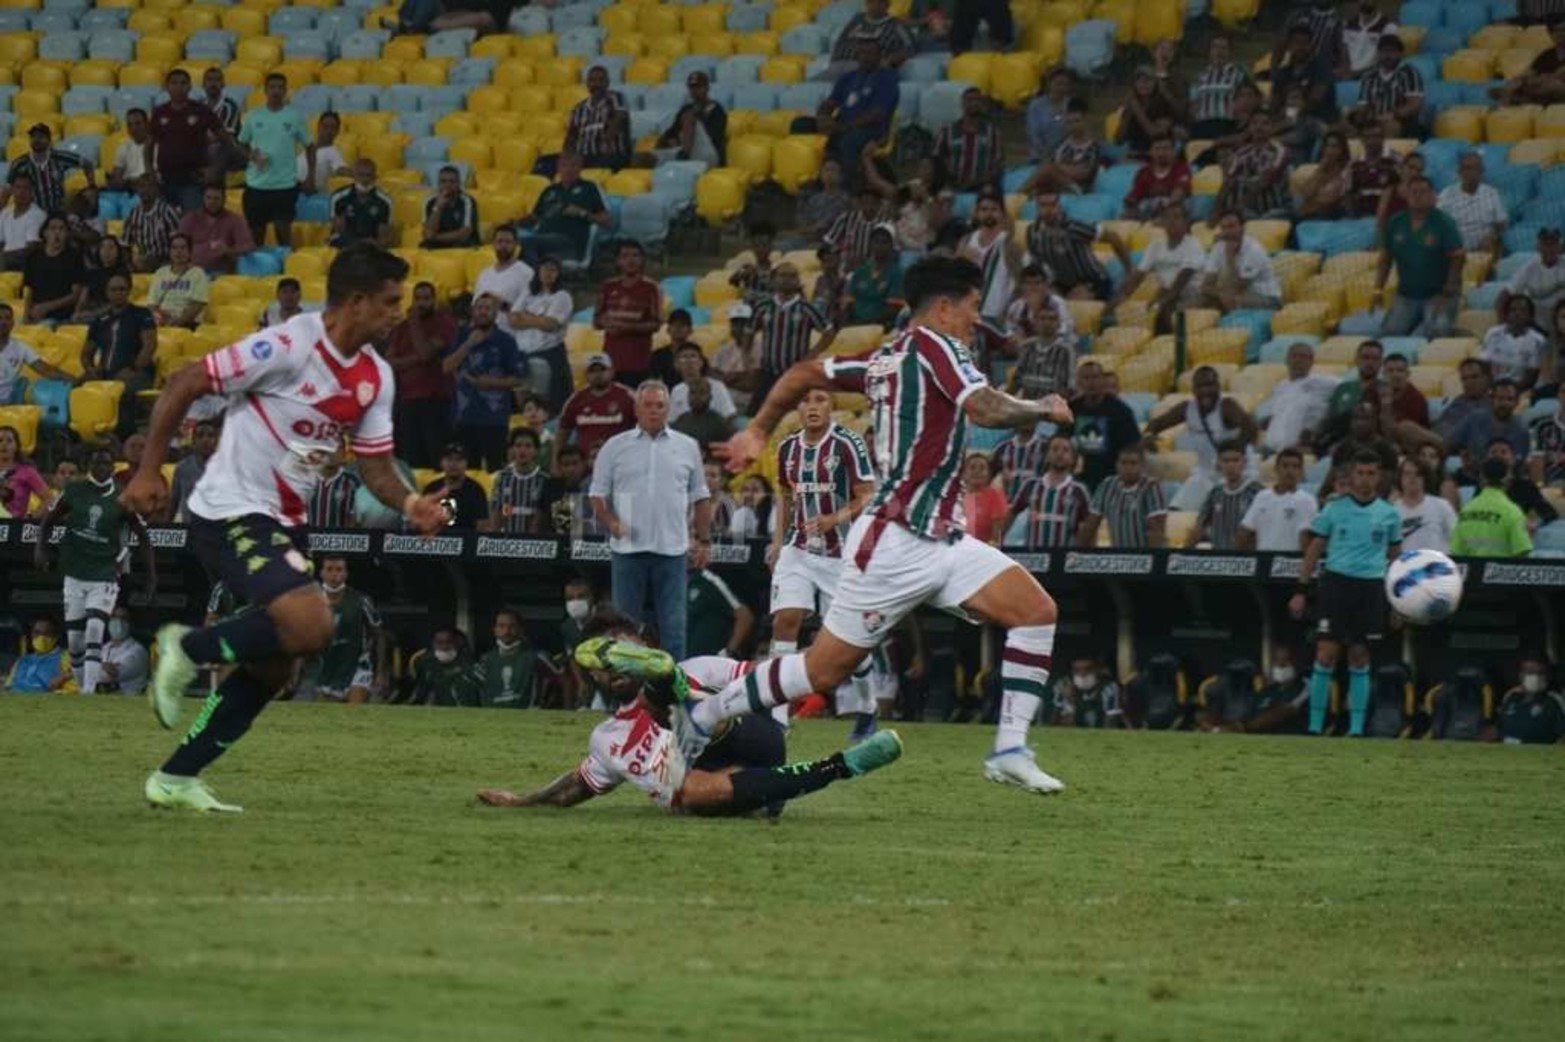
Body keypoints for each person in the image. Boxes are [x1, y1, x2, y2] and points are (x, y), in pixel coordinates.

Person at [698, 256, 1076, 794]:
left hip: (941, 539)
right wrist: (1041, 407)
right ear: (944, 308)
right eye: (971, 308)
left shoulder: (888, 356)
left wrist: (758, 427)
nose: (975, 321)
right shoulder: (939, 347)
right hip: (895, 542)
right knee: (823, 671)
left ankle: (1010, 749)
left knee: (1036, 610)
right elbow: (987, 410)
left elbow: (806, 372)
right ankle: (709, 713)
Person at [125, 242, 449, 813]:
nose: (399, 312)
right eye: (390, 302)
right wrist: (151, 468)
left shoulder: (376, 375)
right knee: (312, 623)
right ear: (355, 302)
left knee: (277, 663)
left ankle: (175, 777)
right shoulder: (289, 345)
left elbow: (374, 464)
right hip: (229, 509)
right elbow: (185, 380)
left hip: (284, 523)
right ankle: (189, 646)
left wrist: (411, 504)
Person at [477, 626, 902, 814]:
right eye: (606, 663)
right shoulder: (606, 739)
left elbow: (761, 681)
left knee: (699, 716)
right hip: (728, 787)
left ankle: (671, 686)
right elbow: (575, 787)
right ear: (595, 675)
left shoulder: (703, 665)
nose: (613, 670)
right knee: (693, 792)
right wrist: (523, 801)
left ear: (642, 646)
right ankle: (846, 764)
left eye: (621, 652)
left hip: (751, 733)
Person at [766, 386, 877, 732]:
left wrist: (834, 518)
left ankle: (868, 705)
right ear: (797, 408)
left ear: (831, 407)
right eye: (805, 400)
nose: (812, 406)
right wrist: (778, 543)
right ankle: (776, 715)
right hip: (798, 550)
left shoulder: (848, 443)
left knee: (848, 642)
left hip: (840, 555)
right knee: (786, 619)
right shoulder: (787, 448)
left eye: (820, 400)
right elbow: (785, 496)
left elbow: (867, 495)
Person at [589, 381, 711, 663]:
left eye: (660, 406)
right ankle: (626, 698)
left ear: (668, 409)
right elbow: (597, 495)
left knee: (675, 629)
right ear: (636, 408)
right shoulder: (614, 447)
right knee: (624, 630)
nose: (654, 411)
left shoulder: (688, 446)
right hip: (627, 551)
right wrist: (611, 522)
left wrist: (703, 540)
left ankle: (672, 700)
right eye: (648, 405)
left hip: (673, 551)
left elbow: (701, 497)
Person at [1289, 450, 1402, 737]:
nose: (1365, 479)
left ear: (1379, 477)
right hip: (1336, 586)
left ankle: (1355, 728)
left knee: (1360, 656)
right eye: (1360, 473)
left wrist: (1398, 601)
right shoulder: (1334, 509)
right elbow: (1314, 550)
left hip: (1371, 588)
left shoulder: (1389, 514)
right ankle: (1314, 726)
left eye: (1371, 473)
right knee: (1326, 654)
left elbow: (1396, 558)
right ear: (1351, 476)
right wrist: (1301, 589)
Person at [34, 446, 156, 695]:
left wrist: (152, 574)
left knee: (94, 630)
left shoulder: (123, 498)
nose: (101, 467)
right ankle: (82, 687)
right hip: (74, 571)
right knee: (76, 641)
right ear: (89, 464)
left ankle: (88, 693)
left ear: (113, 467)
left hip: (105, 573)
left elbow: (142, 536)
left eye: (106, 463)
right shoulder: (74, 491)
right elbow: (48, 520)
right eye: (96, 462)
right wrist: (40, 549)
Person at [1144, 364, 1259, 508]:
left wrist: (1229, 457)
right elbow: (1157, 423)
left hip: (1238, 472)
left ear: (1218, 386)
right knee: (1178, 508)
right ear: (1193, 389)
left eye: (1210, 385)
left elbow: (1251, 429)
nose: (1205, 390)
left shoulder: (1227, 406)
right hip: (1206, 472)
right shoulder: (1187, 408)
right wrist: (1148, 436)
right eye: (1200, 386)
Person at [442, 293, 523, 471]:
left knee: (496, 470)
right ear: (472, 311)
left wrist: (491, 383)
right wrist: (468, 345)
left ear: (495, 314)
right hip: (464, 417)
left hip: (494, 418)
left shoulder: (506, 341)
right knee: (467, 471)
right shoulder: (461, 335)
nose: (483, 312)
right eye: (479, 308)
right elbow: (446, 367)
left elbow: (517, 378)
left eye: (488, 308)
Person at [383, 281, 456, 469]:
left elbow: (426, 352)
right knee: (411, 459)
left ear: (434, 300)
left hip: (436, 399)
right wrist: (417, 359)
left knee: (436, 458)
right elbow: (389, 363)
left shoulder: (444, 322)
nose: (422, 303)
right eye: (418, 299)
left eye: (427, 298)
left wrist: (414, 322)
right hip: (407, 400)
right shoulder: (401, 328)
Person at [745, 262, 836, 411]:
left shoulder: (807, 308)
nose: (786, 279)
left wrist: (813, 353)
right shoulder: (763, 306)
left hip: (796, 373)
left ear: (798, 281)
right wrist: (746, 356)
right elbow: (748, 331)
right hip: (768, 373)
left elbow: (829, 331)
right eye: (782, 275)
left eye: (792, 276)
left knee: (795, 414)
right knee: (756, 414)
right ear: (774, 279)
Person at [295, 556, 383, 704]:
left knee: (354, 713)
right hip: (327, 669)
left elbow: (379, 635)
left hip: (357, 667)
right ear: (322, 573)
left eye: (339, 569)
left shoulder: (361, 600)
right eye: (329, 569)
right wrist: (296, 671)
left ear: (346, 574)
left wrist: (381, 671)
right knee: (327, 717)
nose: (334, 574)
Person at [238, 73, 310, 249]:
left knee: (282, 229)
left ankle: (286, 266)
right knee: (256, 233)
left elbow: (310, 145)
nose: (276, 91)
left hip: (284, 185)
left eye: (280, 87)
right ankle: (258, 273)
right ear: (265, 90)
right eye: (272, 87)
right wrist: (252, 156)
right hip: (256, 185)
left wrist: (311, 176)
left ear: (286, 91)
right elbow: (241, 143)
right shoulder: (253, 116)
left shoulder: (294, 117)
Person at [1109, 202, 1204, 332]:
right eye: (1167, 217)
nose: (1172, 221)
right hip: (1168, 294)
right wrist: (1121, 296)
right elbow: (1138, 275)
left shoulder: (1193, 245)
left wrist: (1162, 300)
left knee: (1163, 309)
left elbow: (1182, 280)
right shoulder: (1155, 245)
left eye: (1177, 217)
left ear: (1186, 222)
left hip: (1192, 296)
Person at [817, 40, 900, 173]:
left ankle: (847, 183)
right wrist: (822, 117)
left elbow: (877, 114)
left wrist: (844, 126)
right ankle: (819, 180)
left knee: (848, 140)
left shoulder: (887, 79)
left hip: (872, 130)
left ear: (879, 56)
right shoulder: (848, 78)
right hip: (842, 125)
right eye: (861, 53)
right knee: (802, 126)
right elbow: (831, 102)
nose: (865, 57)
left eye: (870, 53)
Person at [517, 152, 610, 265]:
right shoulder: (550, 190)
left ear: (581, 168)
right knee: (509, 242)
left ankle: (540, 275)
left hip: (570, 243)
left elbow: (606, 222)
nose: (568, 169)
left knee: (526, 243)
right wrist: (514, 223)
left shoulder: (589, 188)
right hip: (543, 239)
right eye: (564, 165)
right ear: (558, 168)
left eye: (573, 165)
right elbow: (535, 217)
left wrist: (582, 213)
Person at [1025, 192, 1121, 300]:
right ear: (1036, 207)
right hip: (1061, 283)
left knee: (1073, 302)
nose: (1048, 210)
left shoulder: (1074, 227)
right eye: (1043, 205)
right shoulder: (1033, 232)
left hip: (1093, 280)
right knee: (1039, 297)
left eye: (1052, 205)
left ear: (1059, 206)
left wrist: (1129, 269)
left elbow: (1113, 237)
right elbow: (1036, 264)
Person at [593, 240, 661, 389]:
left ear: (642, 260)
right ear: (618, 261)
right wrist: (605, 323)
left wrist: (626, 327)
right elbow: (596, 321)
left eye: (635, 255)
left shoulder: (651, 288)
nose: (630, 260)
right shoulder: (607, 286)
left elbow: (656, 324)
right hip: (610, 360)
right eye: (625, 256)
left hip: (638, 361)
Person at [1004, 434, 1090, 549]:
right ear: (1047, 456)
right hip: (1034, 556)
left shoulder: (1079, 490)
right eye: (1054, 449)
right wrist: (997, 540)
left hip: (1065, 558)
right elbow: (1012, 512)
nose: (1059, 454)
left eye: (1065, 450)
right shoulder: (1031, 485)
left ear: (1073, 458)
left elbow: (1089, 527)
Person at [1076, 443, 1167, 548]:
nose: (1128, 468)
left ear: (1142, 466)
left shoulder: (1151, 487)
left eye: (1133, 463)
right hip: (1120, 556)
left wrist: (1153, 559)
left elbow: (1156, 530)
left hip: (1145, 555)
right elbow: (1090, 525)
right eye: (1123, 463)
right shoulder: (1107, 485)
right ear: (1117, 465)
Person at [1068, 360, 1140, 491]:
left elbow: (1132, 446)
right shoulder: (1072, 409)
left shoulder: (1121, 411)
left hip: (1111, 478)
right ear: (1079, 383)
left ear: (1103, 380)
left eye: (1095, 377)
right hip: (1077, 477)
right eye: (1086, 378)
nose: (1091, 382)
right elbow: (1062, 438)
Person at [1199, 209, 1282, 311]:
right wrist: (1220, 294)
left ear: (1242, 228)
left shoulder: (1254, 249)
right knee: (1202, 299)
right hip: (1238, 295)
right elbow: (1205, 285)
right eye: (1223, 228)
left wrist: (1230, 258)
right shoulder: (1219, 246)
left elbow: (1236, 289)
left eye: (1231, 226)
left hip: (1268, 298)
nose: (1227, 232)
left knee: (1233, 300)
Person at [1451, 458, 1535, 558]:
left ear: (1482, 478)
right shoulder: (1512, 511)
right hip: (1500, 572)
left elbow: (1456, 552)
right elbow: (1522, 552)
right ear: (1507, 479)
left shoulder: (1466, 510)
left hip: (1472, 572)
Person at [1451, 379, 1530, 485]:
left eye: (1509, 399)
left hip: (1506, 482)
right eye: (1500, 398)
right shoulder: (1473, 419)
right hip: (1471, 478)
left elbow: (1518, 464)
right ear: (1491, 399)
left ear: (1517, 402)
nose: (1504, 403)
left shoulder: (1521, 429)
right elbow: (1450, 444)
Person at [1237, 447, 1317, 552]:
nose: (1290, 471)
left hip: (1290, 563)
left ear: (1301, 471)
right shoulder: (1262, 496)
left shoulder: (1307, 501)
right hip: (1264, 561)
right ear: (1276, 469)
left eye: (1295, 467)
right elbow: (1246, 530)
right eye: (1285, 466)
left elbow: (1306, 537)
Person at [1262, 342, 1337, 453]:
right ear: (1286, 359)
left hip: (1299, 450)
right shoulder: (1280, 387)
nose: (1298, 360)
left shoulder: (1323, 382)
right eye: (1294, 356)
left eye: (1303, 357)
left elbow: (1349, 387)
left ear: (1312, 362)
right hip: (1271, 448)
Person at [5, 123, 93, 216]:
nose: (37, 140)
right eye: (33, 137)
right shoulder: (20, 163)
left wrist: (91, 185)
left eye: (41, 137)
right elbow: (9, 187)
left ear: (49, 140)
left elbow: (86, 163)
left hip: (59, 210)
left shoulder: (60, 158)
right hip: (33, 213)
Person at [558, 354, 636, 459]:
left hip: (621, 459)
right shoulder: (576, 399)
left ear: (612, 372)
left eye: (602, 370)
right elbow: (563, 431)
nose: (597, 374)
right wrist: (555, 461)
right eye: (592, 371)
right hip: (585, 463)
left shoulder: (629, 396)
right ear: (586, 375)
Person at [1215, 111, 1289, 220]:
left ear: (1272, 128)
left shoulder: (1280, 151)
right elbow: (1228, 183)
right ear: (1249, 128)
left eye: (1265, 123)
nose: (1259, 127)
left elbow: (1264, 181)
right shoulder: (1241, 153)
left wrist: (1239, 208)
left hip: (1275, 207)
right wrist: (1216, 211)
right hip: (1247, 210)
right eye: (1254, 123)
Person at [1189, 442, 1263, 550]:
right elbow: (1199, 527)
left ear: (1244, 462)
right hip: (1220, 558)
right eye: (1226, 461)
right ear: (1219, 463)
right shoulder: (1215, 493)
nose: (1230, 465)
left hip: (1249, 559)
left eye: (1235, 460)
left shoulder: (1258, 492)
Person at [1350, 34, 1424, 138]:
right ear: (1378, 53)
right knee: (1346, 125)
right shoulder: (1368, 76)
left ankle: (1386, 153)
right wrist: (1355, 115)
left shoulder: (1409, 73)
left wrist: (1394, 114)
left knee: (1389, 126)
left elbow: (1415, 105)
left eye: (1392, 51)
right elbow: (1363, 106)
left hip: (1402, 122)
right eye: (1384, 51)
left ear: (1400, 54)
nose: (1387, 55)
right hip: (1374, 120)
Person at [1437, 152, 1507, 255]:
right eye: (1467, 168)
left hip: (1485, 247)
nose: (1471, 172)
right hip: (1455, 248)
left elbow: (1501, 223)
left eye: (1476, 168)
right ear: (1459, 171)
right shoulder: (1446, 194)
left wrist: (1492, 237)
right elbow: (1437, 222)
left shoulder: (1491, 193)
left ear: (1482, 171)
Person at [473, 225, 534, 343]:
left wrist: (501, 304)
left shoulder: (527, 273)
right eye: (499, 241)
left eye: (508, 242)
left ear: (516, 245)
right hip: (482, 338)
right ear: (493, 244)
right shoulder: (484, 274)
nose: (503, 246)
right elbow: (475, 309)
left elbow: (527, 314)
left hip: (511, 338)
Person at [935, 88, 1003, 193]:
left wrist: (974, 183)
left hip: (982, 189)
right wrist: (949, 181)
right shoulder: (947, 132)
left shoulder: (992, 133)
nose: (974, 103)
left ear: (982, 104)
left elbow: (997, 166)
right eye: (969, 100)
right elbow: (937, 161)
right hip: (952, 187)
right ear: (962, 103)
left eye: (977, 100)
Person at [564, 64, 631, 171]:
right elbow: (571, 136)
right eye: (592, 80)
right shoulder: (578, 109)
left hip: (611, 154)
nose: (596, 84)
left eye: (601, 80)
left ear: (607, 83)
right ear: (587, 84)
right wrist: (566, 156)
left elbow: (619, 117)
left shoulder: (616, 98)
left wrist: (606, 140)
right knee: (546, 163)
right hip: (583, 156)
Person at [21, 215, 84, 326]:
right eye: (53, 228)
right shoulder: (33, 257)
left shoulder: (74, 257)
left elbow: (75, 295)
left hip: (61, 316)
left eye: (61, 229)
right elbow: (29, 290)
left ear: (67, 234)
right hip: (35, 313)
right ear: (45, 233)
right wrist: (26, 314)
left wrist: (47, 307)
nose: (57, 233)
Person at [179, 183, 255, 276]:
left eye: (216, 198)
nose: (212, 202)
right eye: (208, 197)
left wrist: (228, 250)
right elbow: (178, 247)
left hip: (221, 275)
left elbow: (248, 247)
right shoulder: (189, 219)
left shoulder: (235, 220)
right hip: (192, 271)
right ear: (203, 198)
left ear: (224, 200)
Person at [0, 303, 70, 402]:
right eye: (0, 318)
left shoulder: (20, 348)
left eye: (7, 318)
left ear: (12, 323)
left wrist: (74, 380)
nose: (3, 322)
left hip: (6, 405)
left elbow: (46, 370)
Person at [657, 70, 727, 167]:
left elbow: (715, 137)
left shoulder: (716, 109)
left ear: (707, 88)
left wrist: (699, 116)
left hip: (709, 154)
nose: (695, 91)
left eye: (698, 87)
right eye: (692, 88)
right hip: (683, 149)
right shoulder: (686, 108)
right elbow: (671, 132)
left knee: (689, 118)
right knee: (645, 157)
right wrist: (669, 141)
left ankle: (684, 156)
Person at [1499, 226, 1565, 323]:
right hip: (1537, 324)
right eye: (1545, 244)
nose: (1549, 249)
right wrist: (1502, 323)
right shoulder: (1529, 268)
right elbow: (1503, 296)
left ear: (1560, 247)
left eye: (1553, 244)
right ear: (1538, 247)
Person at [1480, 297, 1547, 391]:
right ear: (1506, 314)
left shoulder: (1538, 340)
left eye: (1523, 310)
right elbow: (1484, 366)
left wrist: (1510, 390)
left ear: (1530, 316)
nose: (1517, 313)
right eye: (1513, 310)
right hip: (1492, 387)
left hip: (1521, 389)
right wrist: (1494, 388)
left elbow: (1531, 376)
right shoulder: (1492, 333)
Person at [473, 608, 536, 709]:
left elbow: (564, 678)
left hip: (526, 718)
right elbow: (475, 687)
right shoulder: (485, 660)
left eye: (512, 626)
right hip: (491, 718)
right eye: (501, 626)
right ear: (495, 630)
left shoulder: (536, 657)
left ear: (521, 629)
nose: (507, 631)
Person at [1190, 36, 1250, 139]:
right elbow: (1193, 102)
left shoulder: (1239, 75)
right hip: (1202, 125)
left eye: (1223, 48)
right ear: (1209, 51)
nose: (1219, 51)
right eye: (1215, 47)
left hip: (1227, 125)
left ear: (1230, 52)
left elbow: (1246, 101)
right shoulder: (1200, 76)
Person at [489, 427, 546, 534]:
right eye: (518, 445)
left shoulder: (544, 480)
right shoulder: (502, 478)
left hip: (536, 543)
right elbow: (496, 511)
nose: (522, 450)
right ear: (512, 450)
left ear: (536, 451)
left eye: (528, 446)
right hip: (506, 541)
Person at [1497, 655, 1565, 745]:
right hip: (1507, 752)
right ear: (1521, 675)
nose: (1535, 676)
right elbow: (1499, 726)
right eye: (1530, 672)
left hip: (1539, 754)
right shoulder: (1511, 696)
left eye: (1540, 673)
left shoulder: (1554, 701)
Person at [1394, 457, 1457, 553]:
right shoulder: (1392, 511)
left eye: (1418, 474)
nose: (1412, 478)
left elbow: (1455, 537)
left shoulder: (1441, 506)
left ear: (1425, 478)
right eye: (1407, 473)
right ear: (1400, 478)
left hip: (1436, 565)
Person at [1121, 137, 1192, 221]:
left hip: (1173, 210)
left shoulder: (1182, 169)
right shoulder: (1143, 172)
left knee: (1175, 210)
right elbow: (1135, 195)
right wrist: (1130, 206)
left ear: (1173, 152)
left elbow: (1178, 194)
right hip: (1149, 212)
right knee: (1128, 214)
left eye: (1166, 148)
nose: (1162, 153)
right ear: (1151, 152)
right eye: (1157, 149)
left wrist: (1163, 210)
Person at [123, 175, 184, 273]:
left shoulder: (167, 211)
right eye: (141, 186)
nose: (145, 190)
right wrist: (128, 264)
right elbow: (125, 245)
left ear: (156, 189)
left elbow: (179, 242)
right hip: (144, 260)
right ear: (137, 190)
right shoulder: (133, 214)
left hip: (166, 260)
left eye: (149, 186)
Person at [147, 234, 210, 329]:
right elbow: (152, 304)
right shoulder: (160, 273)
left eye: (183, 248)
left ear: (190, 251)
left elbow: (197, 305)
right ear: (169, 251)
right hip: (162, 321)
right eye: (174, 248)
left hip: (188, 324)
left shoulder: (198, 274)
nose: (178, 252)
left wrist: (178, 321)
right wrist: (162, 319)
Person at [423, 442, 490, 530]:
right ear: (441, 462)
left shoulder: (476, 490)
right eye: (449, 459)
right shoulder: (431, 489)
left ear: (466, 463)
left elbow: (482, 525)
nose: (453, 464)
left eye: (459, 460)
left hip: (468, 541)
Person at [329, 158, 393, 248]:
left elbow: (383, 236)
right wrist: (360, 242)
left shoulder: (384, 201)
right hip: (345, 244)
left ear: (375, 177)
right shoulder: (339, 197)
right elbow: (338, 231)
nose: (365, 180)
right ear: (354, 175)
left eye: (368, 175)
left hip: (372, 245)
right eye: (361, 175)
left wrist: (374, 243)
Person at [411, 628, 482, 707]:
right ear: (433, 644)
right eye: (439, 642)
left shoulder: (468, 662)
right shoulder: (426, 664)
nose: (444, 646)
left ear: (456, 643)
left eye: (448, 642)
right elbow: (420, 693)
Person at [1047, 657, 1125, 728]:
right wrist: (1069, 703)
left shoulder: (1109, 687)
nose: (1082, 673)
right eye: (1077, 670)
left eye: (1088, 669)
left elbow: (1111, 723)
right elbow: (1055, 726)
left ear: (1097, 669)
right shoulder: (1063, 685)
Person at [169, 418, 219, 522]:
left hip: (219, 527)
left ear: (217, 440)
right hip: (190, 526)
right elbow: (174, 501)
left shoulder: (226, 467)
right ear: (193, 440)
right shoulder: (182, 468)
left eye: (210, 435)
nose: (206, 440)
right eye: (200, 435)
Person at [6, 617, 70, 693]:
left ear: (57, 635)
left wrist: (65, 677)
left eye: (47, 633)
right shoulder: (22, 661)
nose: (41, 637)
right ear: (31, 634)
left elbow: (79, 674)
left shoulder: (65, 656)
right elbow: (8, 686)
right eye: (36, 632)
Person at [1026, 67, 1075, 165]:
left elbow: (1074, 133)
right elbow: (1033, 134)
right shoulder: (1036, 105)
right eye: (1059, 83)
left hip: (1065, 158)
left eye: (1066, 84)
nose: (1062, 88)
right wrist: (1046, 155)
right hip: (1040, 157)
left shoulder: (1072, 104)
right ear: (1049, 83)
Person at [422, 165, 479, 249]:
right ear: (438, 184)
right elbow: (428, 232)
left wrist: (435, 237)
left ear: (459, 184)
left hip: (463, 245)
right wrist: (438, 207)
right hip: (438, 245)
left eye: (452, 181)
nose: (448, 185)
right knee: (425, 246)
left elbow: (464, 233)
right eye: (443, 181)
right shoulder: (429, 201)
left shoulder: (467, 201)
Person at [99, 606, 150, 696]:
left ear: (131, 623)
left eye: (124, 618)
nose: (118, 621)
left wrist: (96, 665)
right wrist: (105, 666)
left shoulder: (138, 651)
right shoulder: (104, 648)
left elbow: (111, 676)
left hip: (131, 703)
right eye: (114, 617)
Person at [0, 174, 45, 270]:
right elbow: (1, 242)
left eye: (26, 188)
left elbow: (32, 248)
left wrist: (4, 258)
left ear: (32, 192)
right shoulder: (5, 212)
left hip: (26, 266)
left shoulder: (37, 215)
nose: (21, 192)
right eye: (18, 187)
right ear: (12, 190)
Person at [297, 110, 348, 194]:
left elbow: (340, 168)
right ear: (318, 127)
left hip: (307, 192)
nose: (329, 131)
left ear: (337, 131)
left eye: (333, 128)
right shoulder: (308, 147)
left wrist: (359, 173)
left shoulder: (333, 152)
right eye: (325, 127)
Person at [108, 108, 152, 191]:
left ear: (147, 124)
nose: (134, 128)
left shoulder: (157, 146)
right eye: (130, 125)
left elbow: (152, 179)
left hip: (149, 191)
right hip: (128, 191)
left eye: (138, 124)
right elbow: (116, 178)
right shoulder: (123, 147)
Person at [1530, 392, 1565, 487]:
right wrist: (1540, 490)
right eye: (1564, 392)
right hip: (1551, 488)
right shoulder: (1543, 426)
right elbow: (1537, 462)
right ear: (1559, 395)